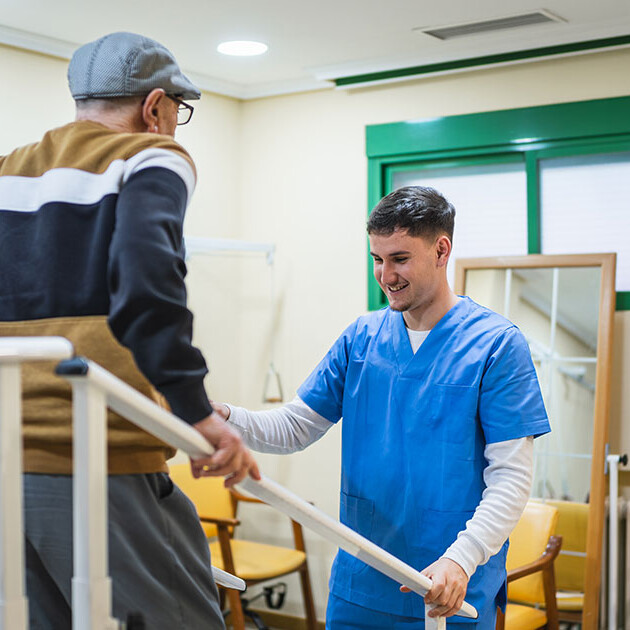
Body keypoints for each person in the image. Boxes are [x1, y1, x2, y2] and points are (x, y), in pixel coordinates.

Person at [0, 32, 259, 629]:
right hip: (98, 455)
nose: (176, 127)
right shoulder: (150, 155)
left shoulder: (11, 168)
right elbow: (147, 284)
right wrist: (195, 412)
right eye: (178, 114)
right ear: (155, 106)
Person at [216, 186, 550, 629]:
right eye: (377, 259)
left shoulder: (496, 346)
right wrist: (226, 419)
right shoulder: (361, 338)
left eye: (399, 259)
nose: (385, 275)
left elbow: (510, 478)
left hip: (448, 589)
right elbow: (296, 426)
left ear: (441, 249)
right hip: (360, 588)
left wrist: (461, 559)